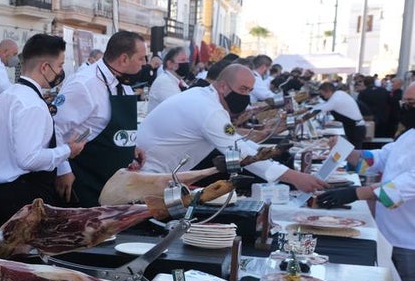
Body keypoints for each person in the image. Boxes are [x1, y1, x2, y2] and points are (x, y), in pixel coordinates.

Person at [137, 64, 328, 192]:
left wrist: (270, 153)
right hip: (148, 178)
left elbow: (235, 140)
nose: (245, 96)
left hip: (158, 174)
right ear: (222, 86)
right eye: (242, 90)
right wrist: (295, 178)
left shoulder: (203, 96)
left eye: (249, 91)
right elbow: (241, 154)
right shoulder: (209, 110)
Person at [314, 83, 415, 281]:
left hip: (410, 241)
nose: (407, 109)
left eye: (412, 104)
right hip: (388, 232)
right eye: (405, 103)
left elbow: (407, 184)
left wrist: (357, 193)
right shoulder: (409, 135)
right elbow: (380, 158)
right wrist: (349, 153)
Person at [0, 34, 85, 227]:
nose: (60, 72)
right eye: (59, 65)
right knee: (25, 256)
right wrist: (68, 150)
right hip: (25, 196)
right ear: (44, 67)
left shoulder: (8, 95)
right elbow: (29, 159)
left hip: (3, 191)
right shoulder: (31, 104)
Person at [52, 30, 149, 206]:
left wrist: (130, 147)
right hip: (86, 181)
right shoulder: (84, 84)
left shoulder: (124, 85)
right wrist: (63, 170)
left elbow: (98, 126)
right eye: (141, 58)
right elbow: (55, 128)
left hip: (116, 186)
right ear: (124, 59)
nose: (145, 64)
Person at [312, 81, 367, 148]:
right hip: (356, 126)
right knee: (351, 150)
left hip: (356, 129)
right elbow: (322, 105)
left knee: (353, 152)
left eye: (324, 94)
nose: (324, 97)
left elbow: (318, 110)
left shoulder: (335, 99)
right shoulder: (340, 93)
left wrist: (301, 119)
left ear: (328, 91)